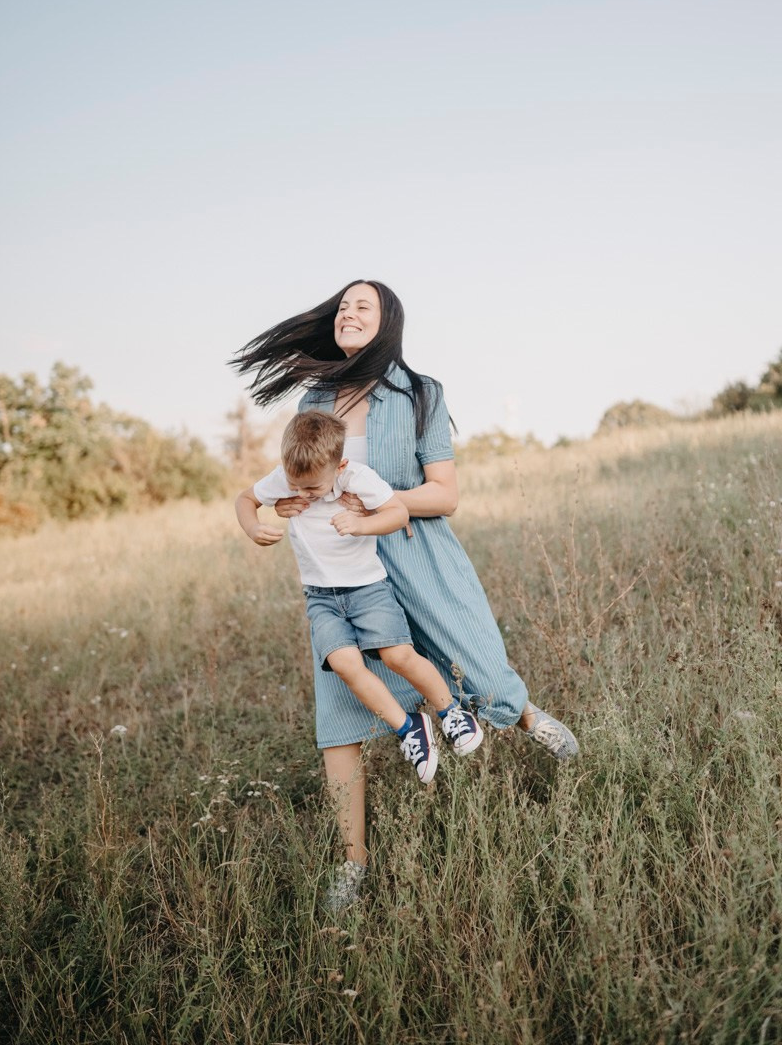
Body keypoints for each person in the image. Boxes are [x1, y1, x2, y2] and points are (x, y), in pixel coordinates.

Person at [230, 279, 578, 912]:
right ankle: (353, 865)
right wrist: (284, 507)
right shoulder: (315, 398)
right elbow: (301, 481)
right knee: (339, 714)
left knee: (473, 658)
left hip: (415, 551)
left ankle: (527, 717)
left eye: (363, 305)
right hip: (343, 572)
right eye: (342, 306)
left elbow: (445, 494)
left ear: (389, 321)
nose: (348, 313)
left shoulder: (420, 393)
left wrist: (378, 503)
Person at [236, 409, 484, 791]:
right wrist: (253, 526)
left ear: (340, 466)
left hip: (368, 588)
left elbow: (398, 513)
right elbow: (245, 499)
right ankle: (408, 727)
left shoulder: (357, 477)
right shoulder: (289, 477)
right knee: (345, 665)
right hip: (321, 596)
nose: (300, 496)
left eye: (312, 489)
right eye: (294, 486)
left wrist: (362, 524)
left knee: (397, 655)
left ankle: (450, 712)